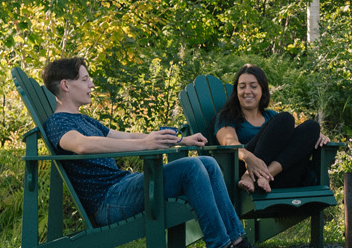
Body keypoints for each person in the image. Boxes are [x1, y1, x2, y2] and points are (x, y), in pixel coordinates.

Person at [40, 57, 253, 248]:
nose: (92, 84)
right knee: (192, 167)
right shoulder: (58, 122)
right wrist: (145, 145)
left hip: (123, 188)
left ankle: (237, 241)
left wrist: (179, 140)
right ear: (66, 85)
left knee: (207, 163)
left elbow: (128, 136)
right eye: (85, 79)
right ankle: (220, 244)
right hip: (108, 201)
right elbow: (82, 145)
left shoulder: (84, 120)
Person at [213, 64, 328, 193]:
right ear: (236, 91)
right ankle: (250, 175)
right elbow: (229, 142)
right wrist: (248, 157)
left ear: (262, 90)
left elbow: (299, 135)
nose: (247, 91)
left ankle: (262, 176)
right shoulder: (227, 117)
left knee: (311, 126)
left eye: (253, 86)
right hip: (242, 173)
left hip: (276, 177)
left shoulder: (271, 116)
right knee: (285, 118)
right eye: (242, 87)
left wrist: (317, 135)